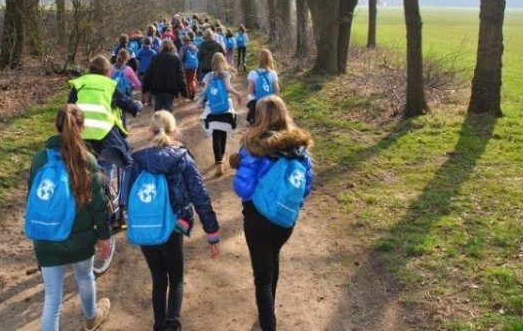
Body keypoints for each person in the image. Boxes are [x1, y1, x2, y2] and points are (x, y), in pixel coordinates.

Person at [127, 111, 221, 331]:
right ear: (174, 130)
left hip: (145, 227)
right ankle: (173, 324)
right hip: (173, 227)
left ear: (150, 132)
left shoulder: (138, 161)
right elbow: (200, 196)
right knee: (176, 279)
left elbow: (127, 197)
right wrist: (212, 232)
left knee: (158, 280)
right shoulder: (182, 158)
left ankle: (159, 326)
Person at [229, 96, 314, 331]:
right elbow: (306, 185)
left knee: (262, 277)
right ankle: (270, 308)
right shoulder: (300, 148)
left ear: (260, 117)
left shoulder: (254, 147)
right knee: (273, 259)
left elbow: (243, 188)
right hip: (286, 219)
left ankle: (268, 323)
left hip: (258, 220)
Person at [28, 104, 113, 331]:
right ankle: (91, 318)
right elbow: (98, 204)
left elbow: (33, 198)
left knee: (52, 297)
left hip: (46, 236)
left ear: (57, 127)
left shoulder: (39, 160)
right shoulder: (87, 160)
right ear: (81, 128)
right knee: (85, 278)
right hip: (80, 237)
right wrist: (104, 235)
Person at [68, 56, 143, 207]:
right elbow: (127, 104)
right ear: (107, 71)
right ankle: (117, 205)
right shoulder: (109, 85)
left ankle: (85, 202)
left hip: (80, 136)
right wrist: (138, 105)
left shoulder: (79, 84)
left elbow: (69, 107)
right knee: (122, 164)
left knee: (83, 169)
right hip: (105, 137)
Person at [198, 52, 244, 176]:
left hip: (212, 109)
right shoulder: (226, 75)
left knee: (215, 135)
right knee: (223, 132)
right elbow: (228, 88)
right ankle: (221, 158)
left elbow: (205, 92)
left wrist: (200, 101)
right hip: (225, 108)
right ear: (223, 62)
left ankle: (219, 162)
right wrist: (238, 94)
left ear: (212, 63)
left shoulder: (208, 76)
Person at [142, 39, 188, 113]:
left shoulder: (155, 58)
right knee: (168, 112)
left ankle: (159, 124)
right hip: (170, 89)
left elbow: (148, 74)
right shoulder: (175, 59)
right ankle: (168, 124)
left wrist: (145, 89)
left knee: (158, 112)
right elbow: (180, 77)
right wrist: (184, 92)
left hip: (157, 89)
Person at [109, 49, 142, 127]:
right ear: (127, 58)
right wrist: (131, 85)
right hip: (124, 96)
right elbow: (138, 84)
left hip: (111, 95)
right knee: (123, 115)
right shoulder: (128, 69)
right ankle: (123, 133)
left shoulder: (110, 68)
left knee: (112, 114)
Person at [246, 49, 280, 125]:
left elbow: (250, 90)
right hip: (269, 102)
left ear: (259, 59)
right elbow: (277, 90)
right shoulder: (273, 73)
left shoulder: (253, 73)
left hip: (257, 103)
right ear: (270, 59)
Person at [178, 34, 199, 101]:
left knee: (187, 80)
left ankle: (189, 93)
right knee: (193, 79)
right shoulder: (193, 46)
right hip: (194, 65)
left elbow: (180, 57)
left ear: (183, 41)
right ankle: (193, 89)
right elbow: (198, 54)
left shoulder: (182, 48)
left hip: (185, 66)